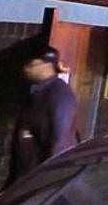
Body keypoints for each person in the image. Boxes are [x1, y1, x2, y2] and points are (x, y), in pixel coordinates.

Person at [8, 46, 81, 178]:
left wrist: (48, 177)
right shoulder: (37, 93)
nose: (26, 69)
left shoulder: (58, 93)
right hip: (27, 176)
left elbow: (61, 138)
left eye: (32, 64)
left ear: (48, 65)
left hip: (38, 178)